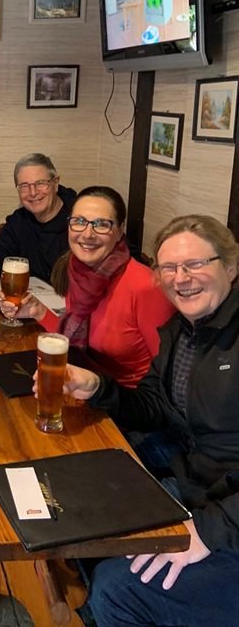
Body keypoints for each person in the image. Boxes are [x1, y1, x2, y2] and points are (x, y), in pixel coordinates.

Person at [45, 214, 239, 626]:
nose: (181, 278)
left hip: (226, 518)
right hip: (196, 487)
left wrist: (212, 529)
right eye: (169, 267)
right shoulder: (183, 329)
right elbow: (153, 406)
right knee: (78, 518)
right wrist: (98, 387)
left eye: (195, 264)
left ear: (231, 266)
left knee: (117, 590)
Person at [5, 186, 175, 387]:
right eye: (79, 222)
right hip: (86, 385)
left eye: (101, 224)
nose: (87, 234)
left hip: (129, 397)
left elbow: (168, 374)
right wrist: (39, 312)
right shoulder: (76, 269)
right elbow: (78, 337)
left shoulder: (146, 285)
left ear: (120, 231)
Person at [0, 153, 75, 306]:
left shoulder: (80, 219)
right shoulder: (19, 221)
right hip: (34, 309)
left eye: (40, 183)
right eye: (24, 186)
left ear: (55, 183)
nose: (33, 192)